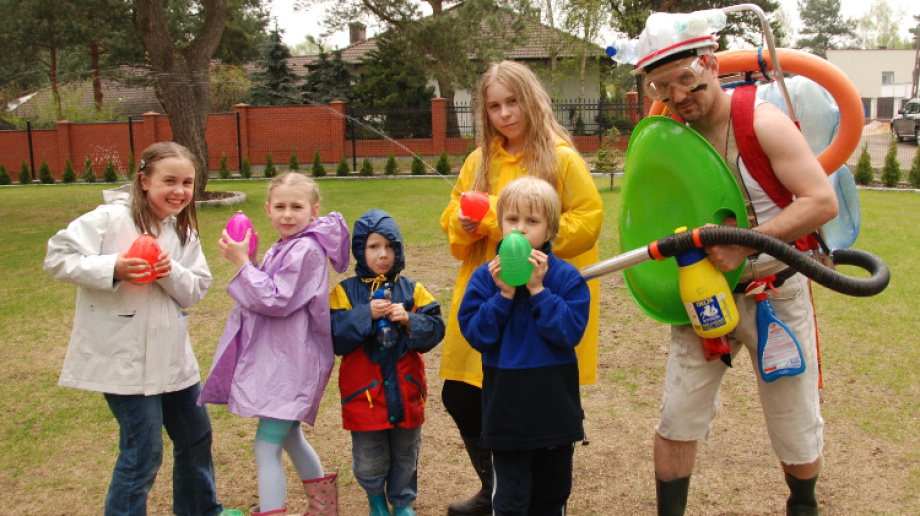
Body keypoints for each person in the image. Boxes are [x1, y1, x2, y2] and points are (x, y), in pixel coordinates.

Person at [630, 11, 839, 515]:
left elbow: (820, 201)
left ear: (711, 64)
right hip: (703, 296)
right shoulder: (669, 137)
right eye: (662, 86)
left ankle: (803, 505)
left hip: (774, 292)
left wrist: (745, 244)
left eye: (686, 78)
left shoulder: (761, 121)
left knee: (794, 423)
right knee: (677, 418)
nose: (678, 95)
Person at [438, 60, 604, 516]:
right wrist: (463, 223)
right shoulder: (479, 161)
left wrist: (517, 235)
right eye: (494, 106)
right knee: (462, 395)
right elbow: (453, 216)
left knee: (531, 398)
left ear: (531, 100)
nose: (505, 114)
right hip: (489, 290)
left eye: (513, 102)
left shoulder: (560, 157)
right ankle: (496, 486)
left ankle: (531, 494)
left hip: (535, 296)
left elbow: (588, 219)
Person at [43, 142, 228, 516]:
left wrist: (167, 270)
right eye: (169, 181)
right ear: (144, 181)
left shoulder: (183, 232)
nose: (179, 191)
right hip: (123, 360)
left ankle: (199, 510)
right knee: (143, 450)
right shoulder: (110, 219)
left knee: (196, 437)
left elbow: (195, 289)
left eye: (187, 182)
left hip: (172, 359)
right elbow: (57, 256)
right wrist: (113, 267)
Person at [198, 172, 349, 516]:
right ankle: (323, 509)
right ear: (267, 210)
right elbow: (269, 285)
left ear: (314, 211)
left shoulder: (305, 249)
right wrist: (251, 262)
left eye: (297, 207)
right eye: (280, 206)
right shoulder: (285, 245)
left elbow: (276, 298)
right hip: (285, 360)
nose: (287, 214)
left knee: (266, 448)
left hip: (292, 363)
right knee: (291, 437)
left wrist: (241, 264)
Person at [457, 176, 590, 515]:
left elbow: (570, 332)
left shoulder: (565, 277)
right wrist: (503, 296)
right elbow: (476, 334)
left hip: (554, 413)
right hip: (507, 414)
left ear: (550, 230)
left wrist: (538, 291)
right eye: (512, 219)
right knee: (510, 500)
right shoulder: (486, 277)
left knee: (551, 497)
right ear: (500, 224)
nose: (519, 229)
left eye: (532, 221)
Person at [330, 209, 446, 516]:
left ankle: (403, 501)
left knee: (407, 451)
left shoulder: (413, 290)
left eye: (389, 246)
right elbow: (333, 335)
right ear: (360, 249)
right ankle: (375, 499)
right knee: (369, 455)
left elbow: (436, 328)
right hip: (365, 396)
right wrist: (364, 314)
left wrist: (409, 320)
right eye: (373, 246)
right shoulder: (344, 292)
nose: (383, 254)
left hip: (407, 392)